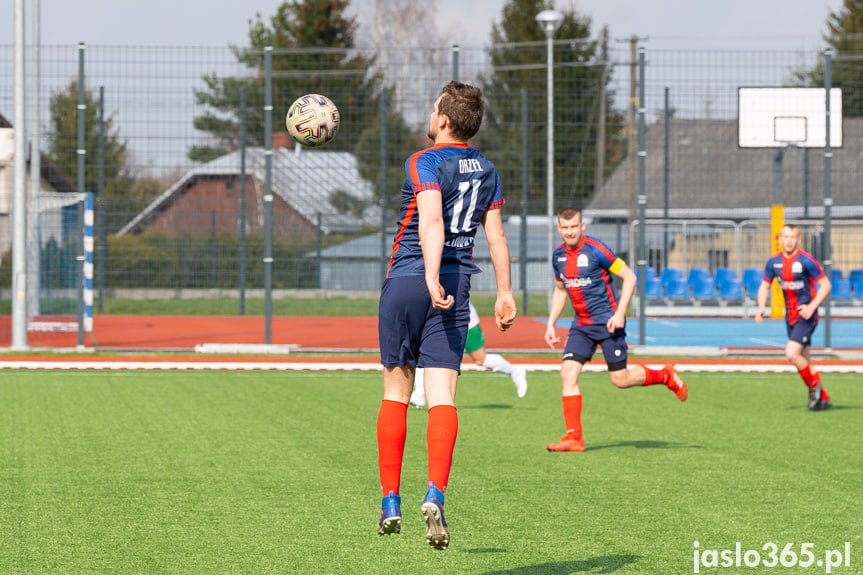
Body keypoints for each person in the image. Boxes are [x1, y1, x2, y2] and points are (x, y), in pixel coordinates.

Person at [376, 81, 517, 550]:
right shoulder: (489, 170)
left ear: (442, 119)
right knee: (442, 396)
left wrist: (430, 275)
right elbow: (495, 237)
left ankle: (390, 499)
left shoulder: (424, 160)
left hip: (411, 279)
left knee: (397, 391)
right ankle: (435, 491)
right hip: (458, 286)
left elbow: (430, 219)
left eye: (434, 106)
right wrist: (504, 293)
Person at [543, 207, 687, 453]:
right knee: (567, 373)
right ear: (559, 229)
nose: (569, 232)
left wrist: (620, 313)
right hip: (581, 326)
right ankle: (574, 438)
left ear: (582, 226)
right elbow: (560, 290)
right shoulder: (558, 257)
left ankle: (665, 375)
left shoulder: (597, 250)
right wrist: (550, 323)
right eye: (565, 228)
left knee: (620, 379)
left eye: (574, 226)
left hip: (609, 323)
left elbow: (630, 277)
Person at [755, 223, 833, 411]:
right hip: (790, 317)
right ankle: (823, 397)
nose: (789, 241)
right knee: (804, 359)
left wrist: (811, 307)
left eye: (793, 237)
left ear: (798, 240)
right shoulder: (773, 263)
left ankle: (815, 387)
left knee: (791, 353)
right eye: (786, 237)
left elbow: (826, 285)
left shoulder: (806, 261)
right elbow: (765, 285)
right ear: (779, 239)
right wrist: (760, 308)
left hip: (806, 316)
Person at [408, 301, 527, 408]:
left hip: (464, 316)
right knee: (424, 351)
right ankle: (419, 394)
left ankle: (515, 371)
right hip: (438, 318)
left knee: (480, 359)